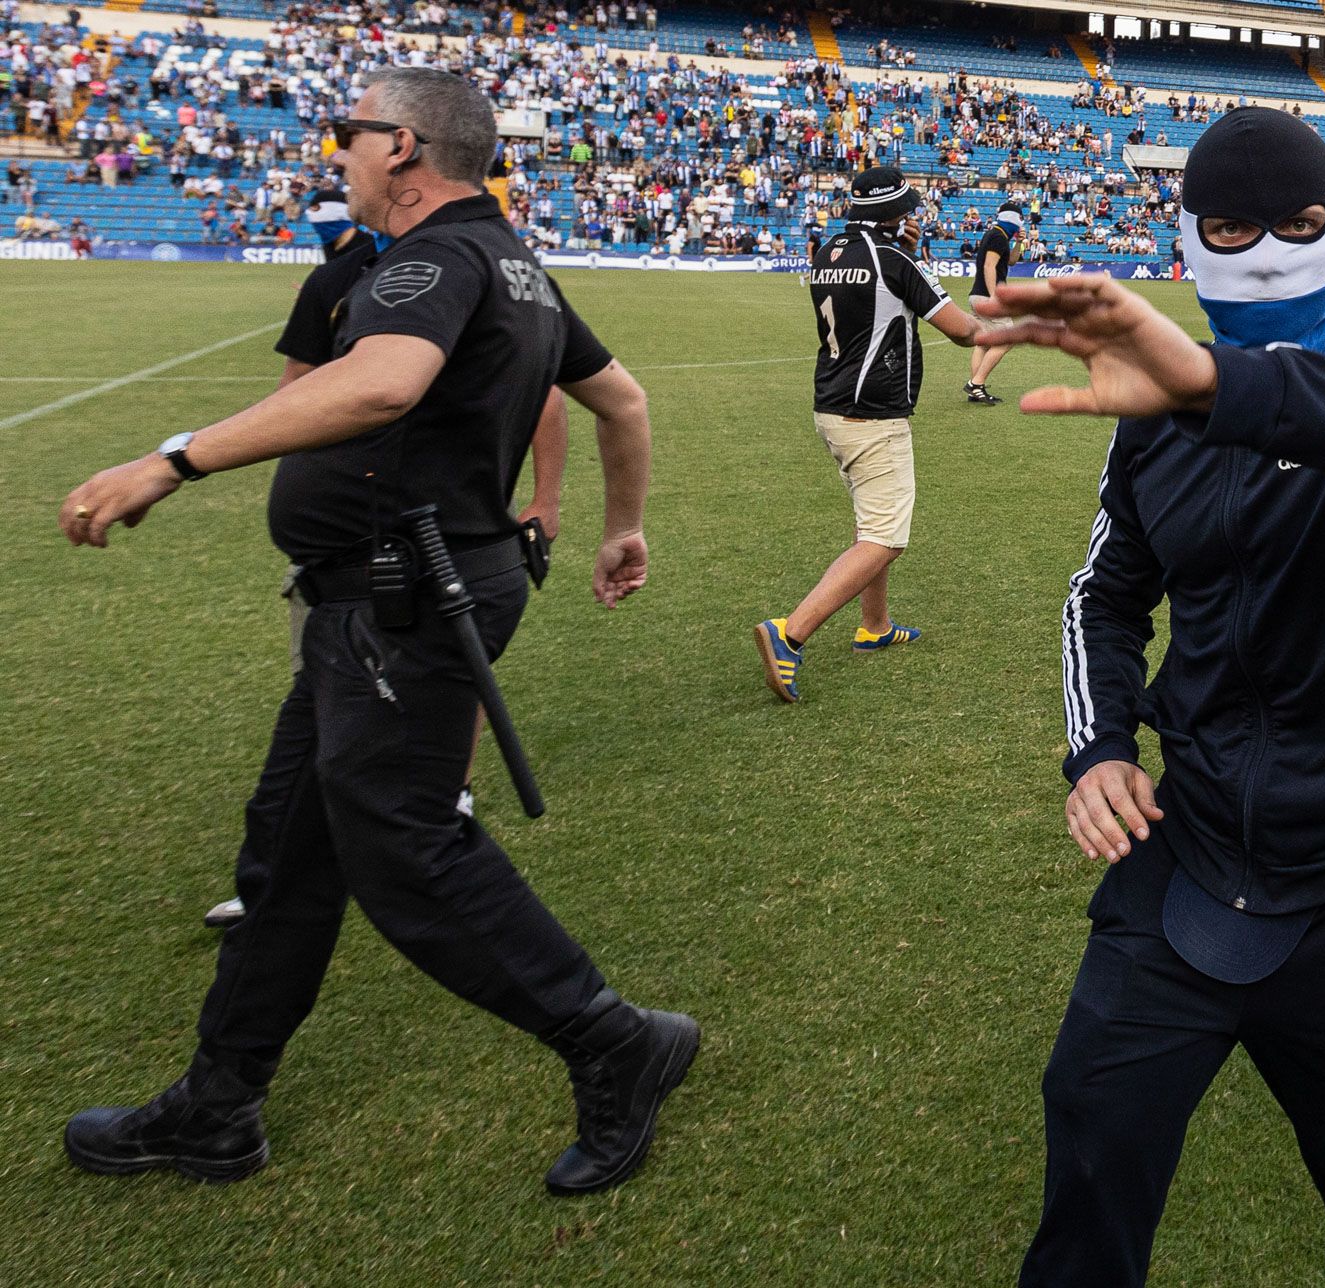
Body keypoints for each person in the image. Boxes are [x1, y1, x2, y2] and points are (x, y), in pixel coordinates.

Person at [57, 68, 697, 1198]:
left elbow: (384, 382)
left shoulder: (436, 259)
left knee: (405, 849)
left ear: (402, 147)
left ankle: (617, 1040)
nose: (335, 154)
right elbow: (626, 401)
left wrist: (168, 460)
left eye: (347, 135)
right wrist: (624, 527)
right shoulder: (512, 259)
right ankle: (218, 1104)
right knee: (292, 856)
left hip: (401, 599)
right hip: (397, 593)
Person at [982, 108, 1325, 1288]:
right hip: (1196, 837)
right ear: (1188, 239)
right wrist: (1101, 747)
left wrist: (1220, 382)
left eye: (1298, 224)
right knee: (1093, 1123)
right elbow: (1103, 595)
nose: (1266, 252)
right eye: (1230, 227)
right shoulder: (1155, 430)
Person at [201, 219, 571, 931]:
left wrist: (180, 460)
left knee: (396, 715)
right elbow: (297, 399)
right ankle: (281, 882)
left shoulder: (470, 269)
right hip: (356, 546)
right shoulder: (360, 280)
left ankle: (428, 819)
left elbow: (556, 394)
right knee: (324, 713)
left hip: (425, 545)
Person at [755, 166, 986, 703]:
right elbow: (962, 330)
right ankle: (789, 634)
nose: (914, 216)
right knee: (885, 537)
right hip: (872, 416)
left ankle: (874, 626)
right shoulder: (896, 259)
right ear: (894, 213)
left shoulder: (830, 249)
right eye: (908, 209)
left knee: (872, 525)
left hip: (832, 407)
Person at [963, 200, 1021, 404]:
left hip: (976, 295)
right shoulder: (998, 236)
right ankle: (976, 384)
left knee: (984, 343)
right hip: (987, 296)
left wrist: (1019, 243)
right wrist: (995, 298)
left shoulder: (998, 236)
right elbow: (989, 267)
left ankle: (975, 389)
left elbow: (1011, 262)